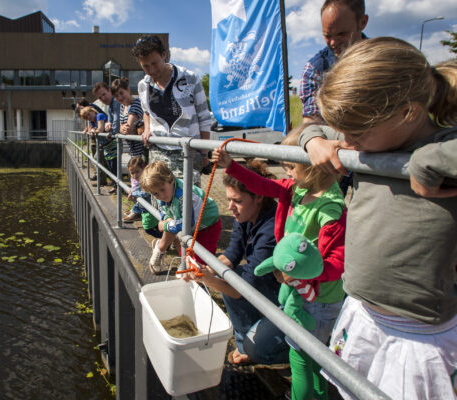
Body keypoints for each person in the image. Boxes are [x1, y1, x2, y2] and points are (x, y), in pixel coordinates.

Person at [298, 37, 457, 399]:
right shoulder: (374, 141)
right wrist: (313, 141)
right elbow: (310, 128)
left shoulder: (441, 148)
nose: (347, 143)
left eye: (355, 132)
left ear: (407, 113)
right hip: (363, 316)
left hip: (418, 336)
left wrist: (431, 161)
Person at [213, 127, 346, 400]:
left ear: (313, 167)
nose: (285, 172)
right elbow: (263, 186)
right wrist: (232, 167)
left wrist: (303, 275)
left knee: (302, 357)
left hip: (317, 296)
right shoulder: (297, 189)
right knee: (307, 357)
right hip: (294, 287)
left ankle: (302, 395)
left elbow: (336, 261)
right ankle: (311, 392)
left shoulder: (330, 209)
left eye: (290, 166)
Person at [184, 159, 289, 366]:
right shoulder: (246, 215)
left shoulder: (271, 228)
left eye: (237, 201)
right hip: (263, 282)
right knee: (230, 276)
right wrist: (205, 269)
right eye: (229, 200)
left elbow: (244, 287)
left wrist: (210, 279)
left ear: (258, 196)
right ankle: (245, 343)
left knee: (261, 349)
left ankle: (285, 354)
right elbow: (231, 255)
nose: (230, 207)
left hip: (286, 293)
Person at [132, 35, 211, 187]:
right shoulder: (143, 85)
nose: (151, 70)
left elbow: (204, 117)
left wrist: (204, 153)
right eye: (145, 66)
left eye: (154, 63)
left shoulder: (190, 78)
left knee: (187, 202)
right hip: (158, 150)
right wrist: (147, 128)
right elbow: (146, 111)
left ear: (164, 55)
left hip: (187, 150)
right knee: (159, 202)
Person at [139, 161, 221, 274]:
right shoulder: (163, 192)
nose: (160, 196)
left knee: (201, 264)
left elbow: (187, 223)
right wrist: (167, 219)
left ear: (171, 180)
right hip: (185, 222)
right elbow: (164, 209)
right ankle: (181, 263)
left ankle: (167, 252)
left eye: (162, 190)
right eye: (156, 193)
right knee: (180, 240)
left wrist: (166, 224)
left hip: (207, 226)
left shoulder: (184, 195)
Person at [300, 0, 368, 124]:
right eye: (327, 35)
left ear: (362, 22)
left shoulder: (387, 61)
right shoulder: (315, 69)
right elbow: (312, 122)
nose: (333, 43)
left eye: (342, 34)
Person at [79, 106, 118, 194]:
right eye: (86, 117)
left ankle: (116, 186)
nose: (89, 117)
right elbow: (91, 130)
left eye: (89, 114)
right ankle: (114, 185)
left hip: (112, 144)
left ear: (93, 111)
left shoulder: (99, 116)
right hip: (105, 146)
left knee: (113, 166)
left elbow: (100, 129)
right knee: (110, 166)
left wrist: (93, 131)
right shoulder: (92, 121)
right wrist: (92, 130)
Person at [125, 156, 161, 239]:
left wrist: (133, 193)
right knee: (152, 226)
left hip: (150, 206)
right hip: (143, 207)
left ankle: (164, 239)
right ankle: (164, 240)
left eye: (137, 172)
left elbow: (146, 192)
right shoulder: (135, 179)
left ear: (143, 168)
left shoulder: (145, 179)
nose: (134, 175)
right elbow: (135, 188)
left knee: (148, 228)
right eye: (132, 173)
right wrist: (132, 191)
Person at [111, 77, 146, 161]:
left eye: (121, 93)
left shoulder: (136, 103)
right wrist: (121, 128)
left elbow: (127, 129)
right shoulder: (123, 106)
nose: (119, 97)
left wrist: (122, 129)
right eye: (116, 96)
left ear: (128, 89)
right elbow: (121, 128)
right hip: (133, 150)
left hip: (142, 150)